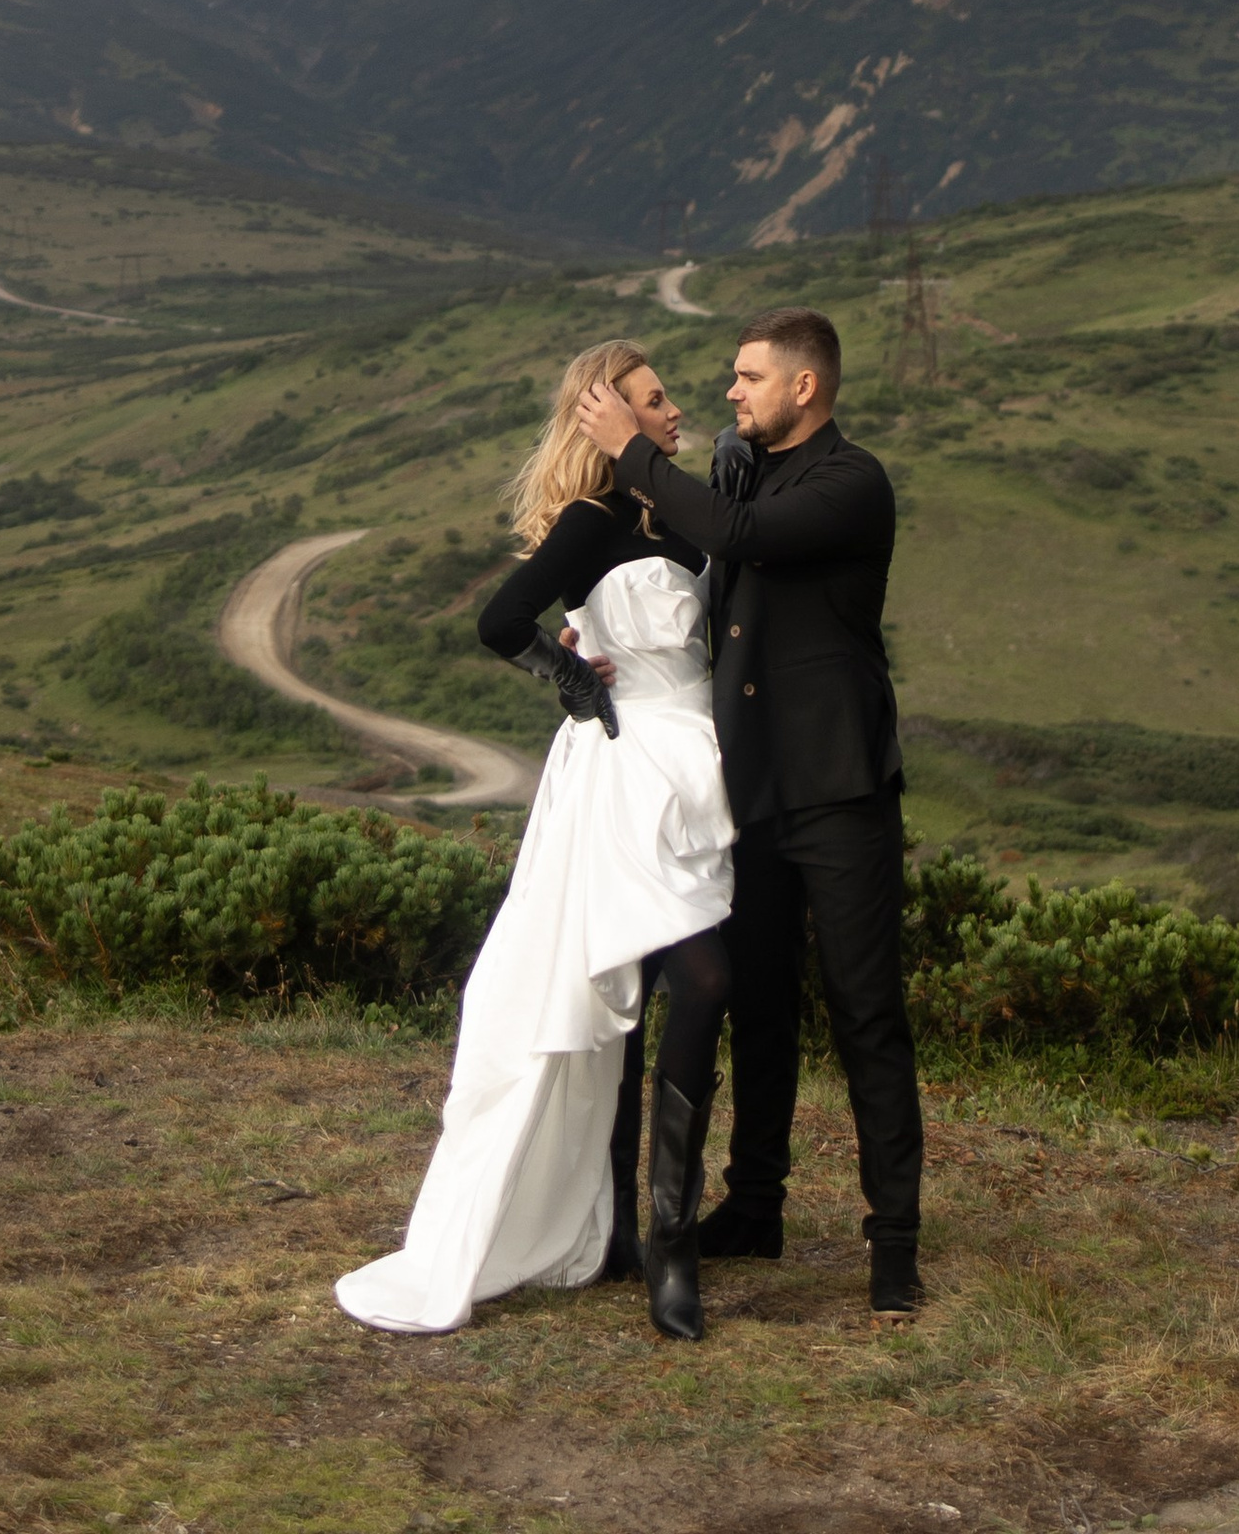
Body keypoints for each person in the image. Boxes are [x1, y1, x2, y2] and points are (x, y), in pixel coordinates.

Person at [334, 342, 737, 1342]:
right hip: (624, 770)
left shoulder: (678, 510)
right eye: (654, 400)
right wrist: (568, 677)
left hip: (697, 763)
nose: (675, 411)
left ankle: (630, 1234)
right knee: (690, 977)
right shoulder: (594, 518)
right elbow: (500, 617)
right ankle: (662, 1246)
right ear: (609, 417)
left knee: (654, 993)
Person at [576, 307, 924, 1321]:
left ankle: (894, 1246)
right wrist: (582, 641)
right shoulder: (742, 473)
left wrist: (634, 452)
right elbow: (685, 586)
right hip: (753, 790)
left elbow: (735, 537)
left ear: (803, 387)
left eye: (749, 376)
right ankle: (755, 1207)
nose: (729, 390)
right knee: (759, 1004)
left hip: (840, 788)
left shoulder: (850, 482)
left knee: (865, 1013)